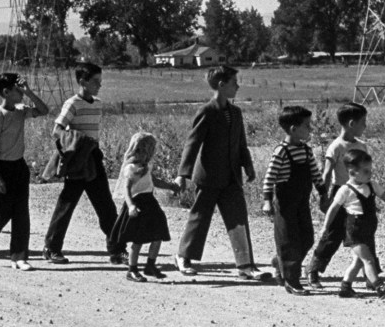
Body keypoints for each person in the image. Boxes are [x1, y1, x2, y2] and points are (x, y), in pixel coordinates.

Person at [173, 66, 271, 282]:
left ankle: (246, 265)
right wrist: (183, 174)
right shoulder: (206, 111)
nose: (238, 86)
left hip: (232, 177)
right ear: (221, 85)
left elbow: (241, 143)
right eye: (234, 82)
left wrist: (248, 166)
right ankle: (183, 257)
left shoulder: (236, 113)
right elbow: (193, 143)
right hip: (208, 177)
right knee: (199, 217)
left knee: (238, 220)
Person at [41, 63, 126, 265]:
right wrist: (76, 143)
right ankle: (51, 248)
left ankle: (117, 250)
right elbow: (56, 130)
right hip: (78, 158)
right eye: (95, 81)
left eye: (100, 81)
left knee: (105, 205)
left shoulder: (97, 103)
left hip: (94, 158)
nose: (100, 85)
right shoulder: (72, 103)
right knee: (67, 204)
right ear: (82, 82)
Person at [0, 72, 49, 270]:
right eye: (17, 89)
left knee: (21, 213)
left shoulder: (21, 111)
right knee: (1, 213)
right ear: (6, 92)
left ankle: (19, 257)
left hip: (19, 167)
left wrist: (29, 92)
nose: (20, 93)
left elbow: (44, 110)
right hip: (2, 167)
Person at [307, 103, 372, 288]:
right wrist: (324, 197)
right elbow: (326, 173)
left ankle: (371, 276)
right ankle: (314, 270)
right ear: (352, 123)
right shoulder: (336, 147)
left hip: (359, 195)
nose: (365, 126)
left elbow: (365, 172)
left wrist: (370, 195)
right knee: (332, 234)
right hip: (340, 194)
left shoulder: (362, 146)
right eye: (363, 122)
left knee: (364, 235)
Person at [323, 149, 385, 299]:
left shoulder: (372, 185)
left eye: (370, 170)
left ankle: (345, 288)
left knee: (358, 262)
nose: (369, 173)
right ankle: (379, 287)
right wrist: (325, 227)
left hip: (368, 229)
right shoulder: (345, 190)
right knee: (368, 260)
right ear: (352, 171)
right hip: (354, 230)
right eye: (365, 171)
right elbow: (333, 209)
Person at [109, 132, 182, 282]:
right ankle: (132, 270)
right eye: (142, 150)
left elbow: (153, 180)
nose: (146, 154)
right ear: (135, 150)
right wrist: (130, 206)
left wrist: (170, 186)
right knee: (138, 239)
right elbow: (126, 189)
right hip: (137, 204)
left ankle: (150, 265)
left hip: (150, 203)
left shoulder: (146, 166)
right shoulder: (130, 168)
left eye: (148, 151)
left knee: (158, 234)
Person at [261, 105, 317, 295]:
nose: (310, 129)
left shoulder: (306, 151)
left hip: (302, 202)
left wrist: (324, 193)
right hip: (285, 204)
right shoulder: (281, 152)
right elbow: (269, 178)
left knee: (307, 238)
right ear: (294, 129)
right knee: (288, 241)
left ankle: (281, 263)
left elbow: (315, 174)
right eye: (307, 126)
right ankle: (292, 281)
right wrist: (267, 200)